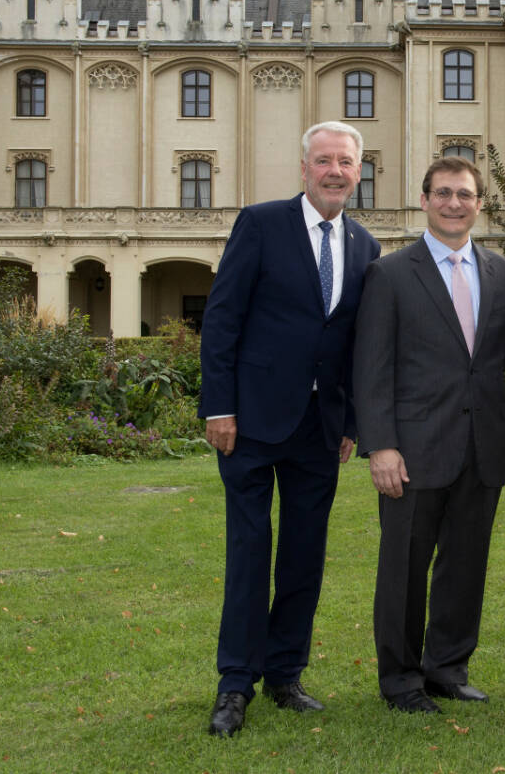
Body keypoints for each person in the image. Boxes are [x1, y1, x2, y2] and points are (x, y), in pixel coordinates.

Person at [198, 121, 381, 737]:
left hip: (320, 428)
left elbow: (356, 343)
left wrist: (351, 420)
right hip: (250, 421)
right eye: (324, 160)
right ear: (304, 168)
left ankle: (284, 674)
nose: (335, 171)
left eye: (346, 162)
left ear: (359, 171)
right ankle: (234, 684)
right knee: (250, 552)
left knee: (304, 556)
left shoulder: (364, 246)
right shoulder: (261, 223)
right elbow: (222, 319)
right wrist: (218, 407)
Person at [352, 156, 505, 714]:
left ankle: (447, 667)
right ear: (425, 200)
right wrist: (380, 445)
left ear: (480, 204)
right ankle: (401, 678)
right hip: (411, 451)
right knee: (403, 567)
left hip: (481, 448)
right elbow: (371, 368)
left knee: (465, 565)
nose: (455, 203)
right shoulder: (390, 273)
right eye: (444, 193)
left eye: (466, 194)